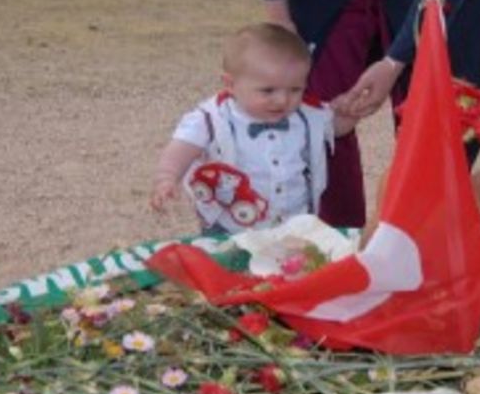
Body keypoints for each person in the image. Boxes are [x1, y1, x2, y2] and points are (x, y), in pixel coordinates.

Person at [253, 0, 480, 228]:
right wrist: (278, 11)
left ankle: (425, 243)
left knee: (438, 133)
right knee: (320, 121)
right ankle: (334, 245)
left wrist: (393, 62)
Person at [150, 23, 358, 235]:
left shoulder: (307, 114)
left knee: (295, 266)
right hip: (229, 225)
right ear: (230, 84)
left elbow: (336, 128)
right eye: (268, 91)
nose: (282, 100)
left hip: (295, 223)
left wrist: (350, 114)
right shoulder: (210, 119)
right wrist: (167, 177)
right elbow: (182, 148)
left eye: (295, 89)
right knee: (228, 267)